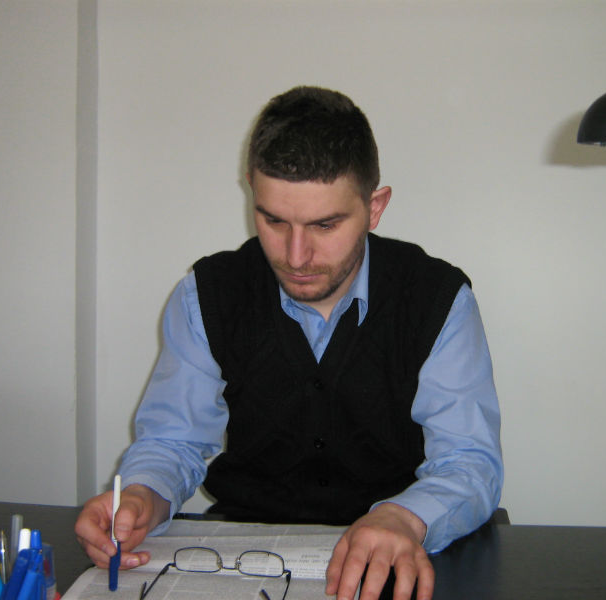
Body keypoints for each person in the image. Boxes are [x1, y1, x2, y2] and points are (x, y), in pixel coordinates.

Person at [74, 85, 503, 600]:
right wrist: (144, 496)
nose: (296, 256)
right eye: (274, 220)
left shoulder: (437, 299)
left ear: (375, 207)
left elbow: (469, 461)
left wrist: (404, 517)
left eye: (325, 225)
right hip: (242, 557)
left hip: (398, 555)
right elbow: (173, 441)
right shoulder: (206, 294)